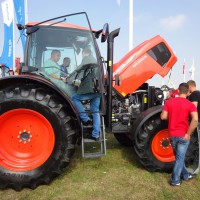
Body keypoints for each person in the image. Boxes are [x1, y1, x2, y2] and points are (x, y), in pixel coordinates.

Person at [160, 82, 198, 186]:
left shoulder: (169, 102)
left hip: (172, 135)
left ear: (178, 90)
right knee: (179, 158)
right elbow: (195, 119)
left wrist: (172, 115)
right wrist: (188, 134)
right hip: (183, 136)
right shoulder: (190, 104)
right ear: (188, 92)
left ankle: (185, 175)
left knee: (178, 158)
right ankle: (175, 180)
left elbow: (163, 117)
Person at [71, 48, 101, 141]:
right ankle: (95, 135)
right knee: (95, 111)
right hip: (98, 91)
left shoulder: (87, 59)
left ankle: (85, 119)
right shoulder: (95, 61)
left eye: (83, 53)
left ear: (85, 52)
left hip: (90, 90)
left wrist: (69, 76)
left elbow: (79, 70)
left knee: (74, 98)